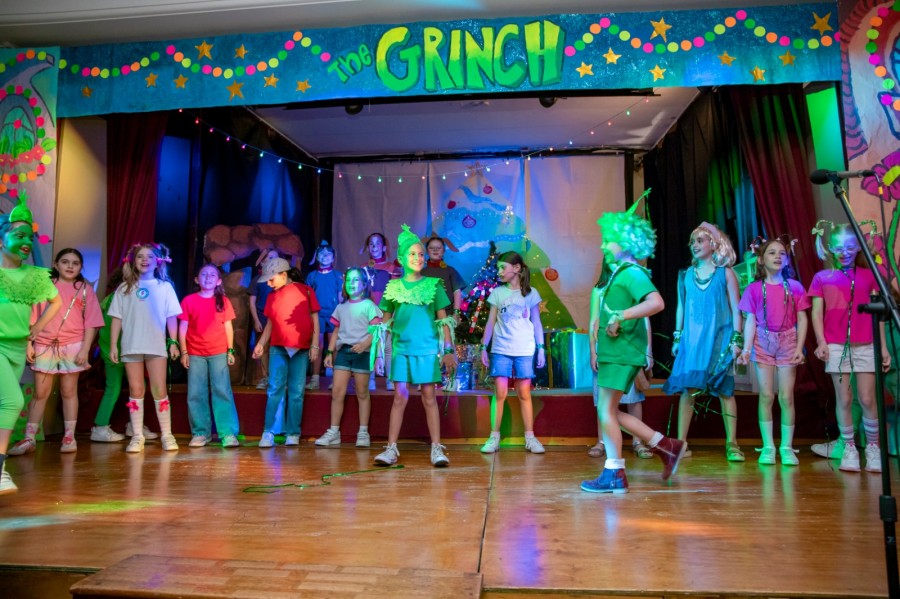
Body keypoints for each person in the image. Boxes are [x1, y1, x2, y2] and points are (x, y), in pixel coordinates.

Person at [581, 209, 684, 494]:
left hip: (621, 354)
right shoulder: (620, 273)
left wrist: (621, 316)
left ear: (626, 243)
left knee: (606, 410)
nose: (602, 245)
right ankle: (666, 446)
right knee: (609, 411)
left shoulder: (631, 273)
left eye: (608, 240)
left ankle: (615, 472)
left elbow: (656, 303)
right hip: (615, 352)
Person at [808, 221, 889, 472]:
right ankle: (849, 448)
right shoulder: (822, 278)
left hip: (866, 344)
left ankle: (873, 448)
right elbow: (816, 312)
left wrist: (883, 348)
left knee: (867, 398)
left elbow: (879, 314)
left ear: (859, 247)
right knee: (844, 398)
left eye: (851, 247)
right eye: (839, 247)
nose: (845, 252)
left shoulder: (870, 275)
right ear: (830, 248)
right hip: (836, 345)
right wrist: (821, 341)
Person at [373, 225, 457, 467]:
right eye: (412, 254)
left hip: (427, 351)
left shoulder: (433, 285)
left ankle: (436, 448)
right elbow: (384, 324)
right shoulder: (393, 288)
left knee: (429, 397)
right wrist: (377, 353)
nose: (418, 258)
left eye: (421, 254)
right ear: (401, 259)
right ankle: (391, 448)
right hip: (401, 351)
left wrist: (448, 351)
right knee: (399, 397)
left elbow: (443, 321)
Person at [8, 248, 104, 455]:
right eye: (65, 262)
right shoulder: (45, 286)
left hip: (73, 345)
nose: (70, 266)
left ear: (81, 267)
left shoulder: (85, 290)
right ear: (56, 264)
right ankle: (29, 438)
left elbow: (91, 322)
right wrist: (29, 344)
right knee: (40, 393)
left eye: (75, 263)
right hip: (44, 343)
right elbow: (32, 317)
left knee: (68, 391)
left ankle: (69, 437)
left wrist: (85, 349)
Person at [662, 222, 744, 462]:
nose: (694, 245)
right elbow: (681, 307)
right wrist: (678, 336)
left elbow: (736, 309)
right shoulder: (686, 275)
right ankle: (681, 443)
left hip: (719, 339)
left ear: (713, 244)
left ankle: (732, 443)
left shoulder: (725, 273)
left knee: (725, 390)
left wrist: (737, 339)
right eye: (692, 242)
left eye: (700, 240)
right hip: (693, 341)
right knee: (689, 389)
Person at [0, 201, 62, 494]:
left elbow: (56, 302)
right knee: (13, 402)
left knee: (4, 405)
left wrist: (34, 331)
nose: (26, 242)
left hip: (17, 348)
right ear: (2, 241)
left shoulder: (33, 276)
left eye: (29, 237)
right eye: (19, 236)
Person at [736, 237, 810, 465]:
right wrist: (746, 349)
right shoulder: (754, 289)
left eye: (782, 253)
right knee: (767, 395)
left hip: (788, 340)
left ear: (787, 260)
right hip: (763, 341)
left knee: (786, 397)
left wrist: (799, 347)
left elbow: (802, 319)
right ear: (760, 260)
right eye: (772, 252)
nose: (778, 256)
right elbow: (750, 321)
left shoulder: (795, 287)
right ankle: (768, 446)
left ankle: (786, 447)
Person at [108, 243, 182, 453]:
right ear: (134, 261)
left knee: (159, 389)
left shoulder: (164, 287)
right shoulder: (124, 288)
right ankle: (137, 435)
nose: (145, 260)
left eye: (150, 256)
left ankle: (167, 434)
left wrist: (173, 342)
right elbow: (116, 318)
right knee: (136, 390)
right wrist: (113, 345)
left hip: (156, 345)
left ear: (158, 261)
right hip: (131, 345)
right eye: (140, 256)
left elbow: (171, 316)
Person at [478, 251, 546, 454]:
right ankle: (494, 437)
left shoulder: (531, 293)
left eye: (503, 267)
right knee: (500, 392)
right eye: (498, 267)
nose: (499, 271)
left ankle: (530, 437)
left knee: (524, 392)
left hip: (524, 349)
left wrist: (541, 348)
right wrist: (484, 347)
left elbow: (537, 323)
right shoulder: (498, 293)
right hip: (501, 349)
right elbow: (490, 322)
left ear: (516, 269)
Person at [251, 257, 320, 448]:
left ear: (283, 275)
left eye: (271, 279)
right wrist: (261, 344)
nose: (268, 283)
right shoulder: (272, 296)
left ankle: (293, 432)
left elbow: (314, 318)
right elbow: (270, 323)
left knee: (297, 392)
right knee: (275, 389)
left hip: (301, 348)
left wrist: (315, 345)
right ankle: (269, 431)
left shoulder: (306, 291)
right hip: (278, 348)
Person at [314, 267, 382, 448]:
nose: (352, 283)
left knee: (362, 392)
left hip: (362, 353)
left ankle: (363, 432)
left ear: (364, 284)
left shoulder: (369, 306)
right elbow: (336, 331)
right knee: (337, 392)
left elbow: (376, 331)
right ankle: (334, 431)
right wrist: (329, 352)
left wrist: (365, 344)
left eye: (356, 280)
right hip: (344, 353)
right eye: (349, 280)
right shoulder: (341, 307)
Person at [178, 264, 240, 448]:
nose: (208, 277)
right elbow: (183, 328)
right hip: (195, 353)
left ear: (219, 281)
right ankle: (200, 433)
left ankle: (227, 433)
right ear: (197, 279)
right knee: (196, 392)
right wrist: (184, 352)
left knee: (222, 391)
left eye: (212, 275)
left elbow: (228, 327)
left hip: (218, 352)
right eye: (203, 274)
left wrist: (230, 350)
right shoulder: (189, 300)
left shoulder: (223, 301)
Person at [90, 268, 131, 443]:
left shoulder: (113, 297)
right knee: (113, 388)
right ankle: (100, 426)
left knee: (138, 387)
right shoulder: (116, 298)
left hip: (122, 350)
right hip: (115, 351)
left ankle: (133, 424)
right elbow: (105, 327)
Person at [362, 232, 400, 391]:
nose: (374, 246)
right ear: (367, 248)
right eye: (371, 243)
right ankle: (370, 379)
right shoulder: (363, 268)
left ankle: (390, 379)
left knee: (388, 346)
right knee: (370, 345)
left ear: (384, 247)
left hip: (386, 312)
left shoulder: (391, 268)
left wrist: (393, 313)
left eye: (377, 243)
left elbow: (396, 293)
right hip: (368, 313)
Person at [305, 241, 342, 391]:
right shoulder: (312, 276)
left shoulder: (338, 276)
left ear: (333, 257)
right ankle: (315, 379)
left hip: (333, 315)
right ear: (317, 257)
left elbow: (340, 298)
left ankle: (335, 379)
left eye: (328, 254)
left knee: (334, 347)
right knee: (317, 346)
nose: (325, 256)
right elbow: (307, 298)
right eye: (322, 253)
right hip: (317, 316)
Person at [249, 248, 279, 390]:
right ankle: (265, 377)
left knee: (277, 349)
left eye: (275, 257)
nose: (272, 260)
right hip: (262, 318)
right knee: (263, 349)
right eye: (269, 257)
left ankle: (277, 378)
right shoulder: (257, 280)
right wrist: (256, 320)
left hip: (278, 319)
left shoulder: (282, 280)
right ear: (262, 262)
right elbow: (252, 302)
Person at [422, 233, 465, 317]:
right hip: (426, 316)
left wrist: (456, 313)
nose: (435, 250)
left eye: (438, 248)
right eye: (431, 248)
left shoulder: (450, 270)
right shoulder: (421, 272)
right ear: (427, 251)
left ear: (444, 251)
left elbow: (457, 292)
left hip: (447, 315)